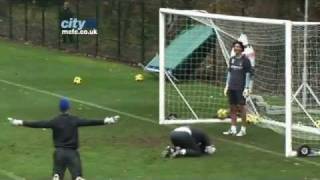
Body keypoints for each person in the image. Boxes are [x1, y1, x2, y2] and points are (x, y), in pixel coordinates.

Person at [8, 98, 119, 180]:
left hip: (59, 153)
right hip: (72, 153)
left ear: (60, 108)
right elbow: (90, 121)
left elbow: (38, 123)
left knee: (57, 176)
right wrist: (107, 120)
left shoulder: (54, 121)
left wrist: (19, 122)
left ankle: (57, 176)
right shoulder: (75, 120)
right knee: (77, 177)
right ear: (69, 107)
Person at [223, 41, 253, 136]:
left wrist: (247, 87)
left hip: (240, 87)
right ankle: (233, 128)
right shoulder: (231, 59)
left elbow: (248, 74)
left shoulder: (245, 60)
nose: (236, 48)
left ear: (241, 49)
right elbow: (229, 73)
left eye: (238, 46)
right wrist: (227, 85)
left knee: (241, 107)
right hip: (232, 86)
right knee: (232, 107)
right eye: (234, 46)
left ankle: (243, 129)